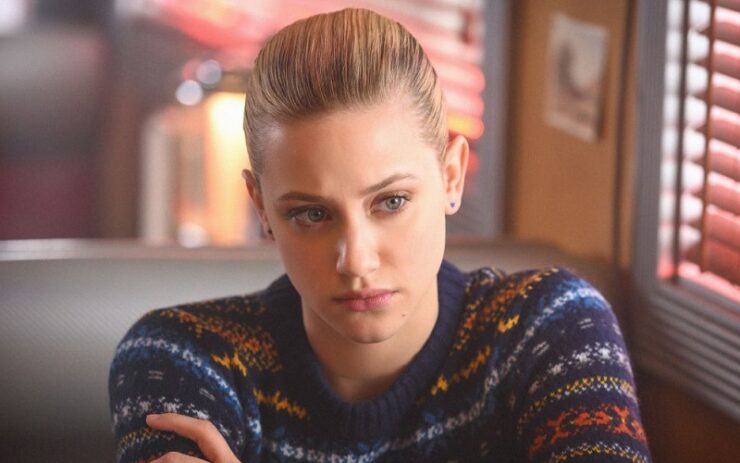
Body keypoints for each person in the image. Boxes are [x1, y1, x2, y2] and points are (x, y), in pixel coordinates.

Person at [109, 8, 651, 463]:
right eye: (311, 214)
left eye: (391, 202)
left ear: (451, 178)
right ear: (262, 208)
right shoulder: (180, 358)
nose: (356, 261)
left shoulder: (551, 330)